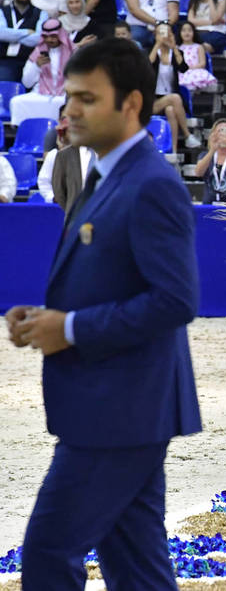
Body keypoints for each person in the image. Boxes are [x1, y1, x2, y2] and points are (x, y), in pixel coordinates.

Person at [4, 36, 202, 590]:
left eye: (88, 98)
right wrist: (50, 315)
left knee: (47, 553)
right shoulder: (105, 172)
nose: (70, 109)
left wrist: (67, 328)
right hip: (120, 405)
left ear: (131, 103)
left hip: (120, 409)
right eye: (69, 95)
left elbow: (177, 300)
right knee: (135, 567)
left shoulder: (152, 183)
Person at [11, 18, 71, 125]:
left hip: (64, 94)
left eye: (53, 36)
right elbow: (26, 83)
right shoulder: (38, 52)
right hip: (41, 92)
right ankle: (24, 134)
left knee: (61, 103)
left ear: (60, 35)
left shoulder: (72, 52)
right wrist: (36, 66)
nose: (49, 40)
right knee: (16, 102)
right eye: (46, 37)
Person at [149, 21, 190, 151]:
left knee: (171, 110)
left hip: (170, 100)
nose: (164, 36)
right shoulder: (151, 53)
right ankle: (188, 135)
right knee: (175, 98)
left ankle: (174, 149)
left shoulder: (176, 53)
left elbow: (183, 68)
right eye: (160, 33)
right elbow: (148, 65)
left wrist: (174, 48)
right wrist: (157, 45)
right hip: (153, 101)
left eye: (166, 32)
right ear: (155, 35)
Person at [0, 0, 48, 83]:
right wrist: (26, 32)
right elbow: (1, 33)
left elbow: (38, 38)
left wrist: (11, 36)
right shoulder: (2, 11)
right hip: (5, 60)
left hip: (31, 60)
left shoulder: (41, 14)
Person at [177, 20, 216, 91]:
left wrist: (191, 68)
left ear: (194, 33)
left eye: (189, 30)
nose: (187, 33)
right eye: (184, 30)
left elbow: (202, 63)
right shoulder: (178, 48)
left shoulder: (198, 47)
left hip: (196, 70)